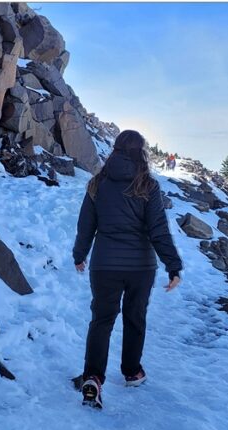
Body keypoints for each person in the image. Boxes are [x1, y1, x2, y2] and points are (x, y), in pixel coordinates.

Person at [72, 129, 183, 409]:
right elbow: (158, 230)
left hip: (104, 265)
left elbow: (86, 225)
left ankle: (93, 377)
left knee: (102, 320)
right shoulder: (147, 185)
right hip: (140, 267)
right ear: (141, 151)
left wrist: (80, 254)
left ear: (116, 148)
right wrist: (173, 265)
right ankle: (132, 371)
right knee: (135, 318)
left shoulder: (98, 183)